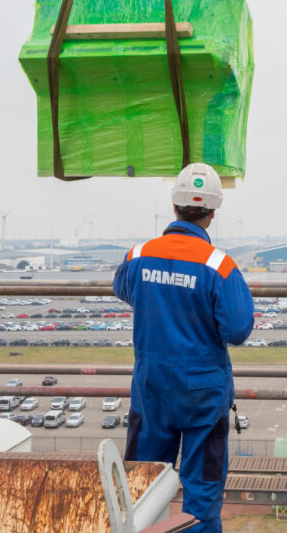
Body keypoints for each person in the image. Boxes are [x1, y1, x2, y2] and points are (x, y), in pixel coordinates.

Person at [114, 162, 254, 532]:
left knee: (142, 487)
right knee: (201, 497)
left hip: (152, 390)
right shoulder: (219, 266)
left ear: (174, 206)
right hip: (203, 395)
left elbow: (123, 290)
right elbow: (239, 330)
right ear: (212, 212)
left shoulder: (139, 255)